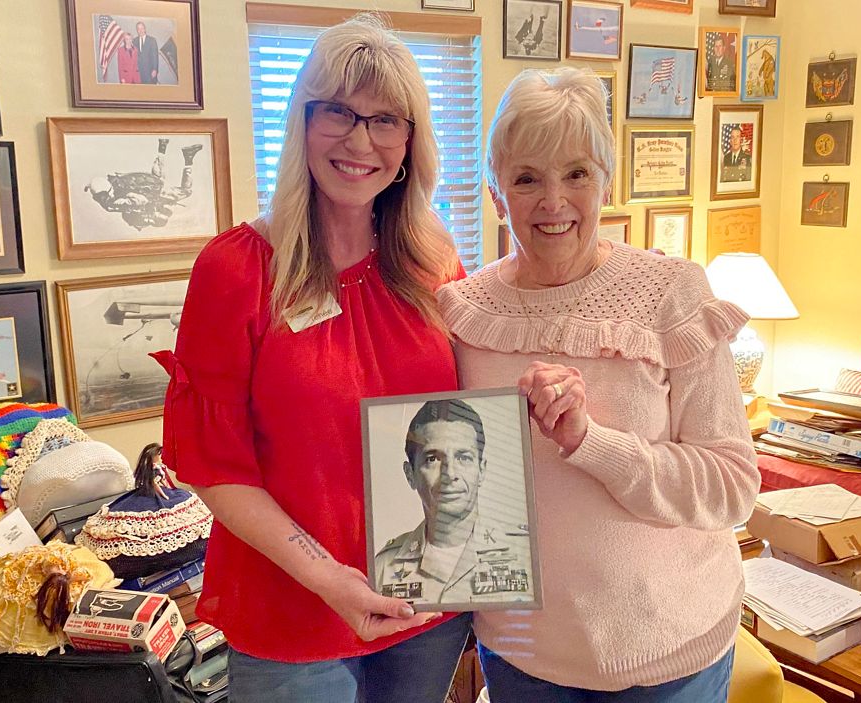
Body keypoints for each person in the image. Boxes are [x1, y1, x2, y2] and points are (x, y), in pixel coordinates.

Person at [154, 15, 469, 703]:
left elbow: (471, 413)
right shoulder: (236, 270)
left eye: (385, 120)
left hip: (425, 605)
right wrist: (328, 576)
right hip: (291, 614)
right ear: (302, 120)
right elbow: (213, 463)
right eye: (338, 112)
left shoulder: (435, 263)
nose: (360, 141)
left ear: (410, 142)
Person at [437, 66, 760, 702]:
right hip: (524, 658)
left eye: (577, 173)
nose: (553, 201)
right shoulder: (464, 314)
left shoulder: (671, 292)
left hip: (671, 655)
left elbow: (732, 487)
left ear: (606, 181)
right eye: (527, 179)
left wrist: (591, 442)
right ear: (497, 194)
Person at [372, 399, 532, 606]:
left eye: (463, 457)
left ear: (482, 469)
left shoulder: (525, 553)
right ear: (410, 474)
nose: (450, 474)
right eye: (432, 459)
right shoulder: (383, 567)